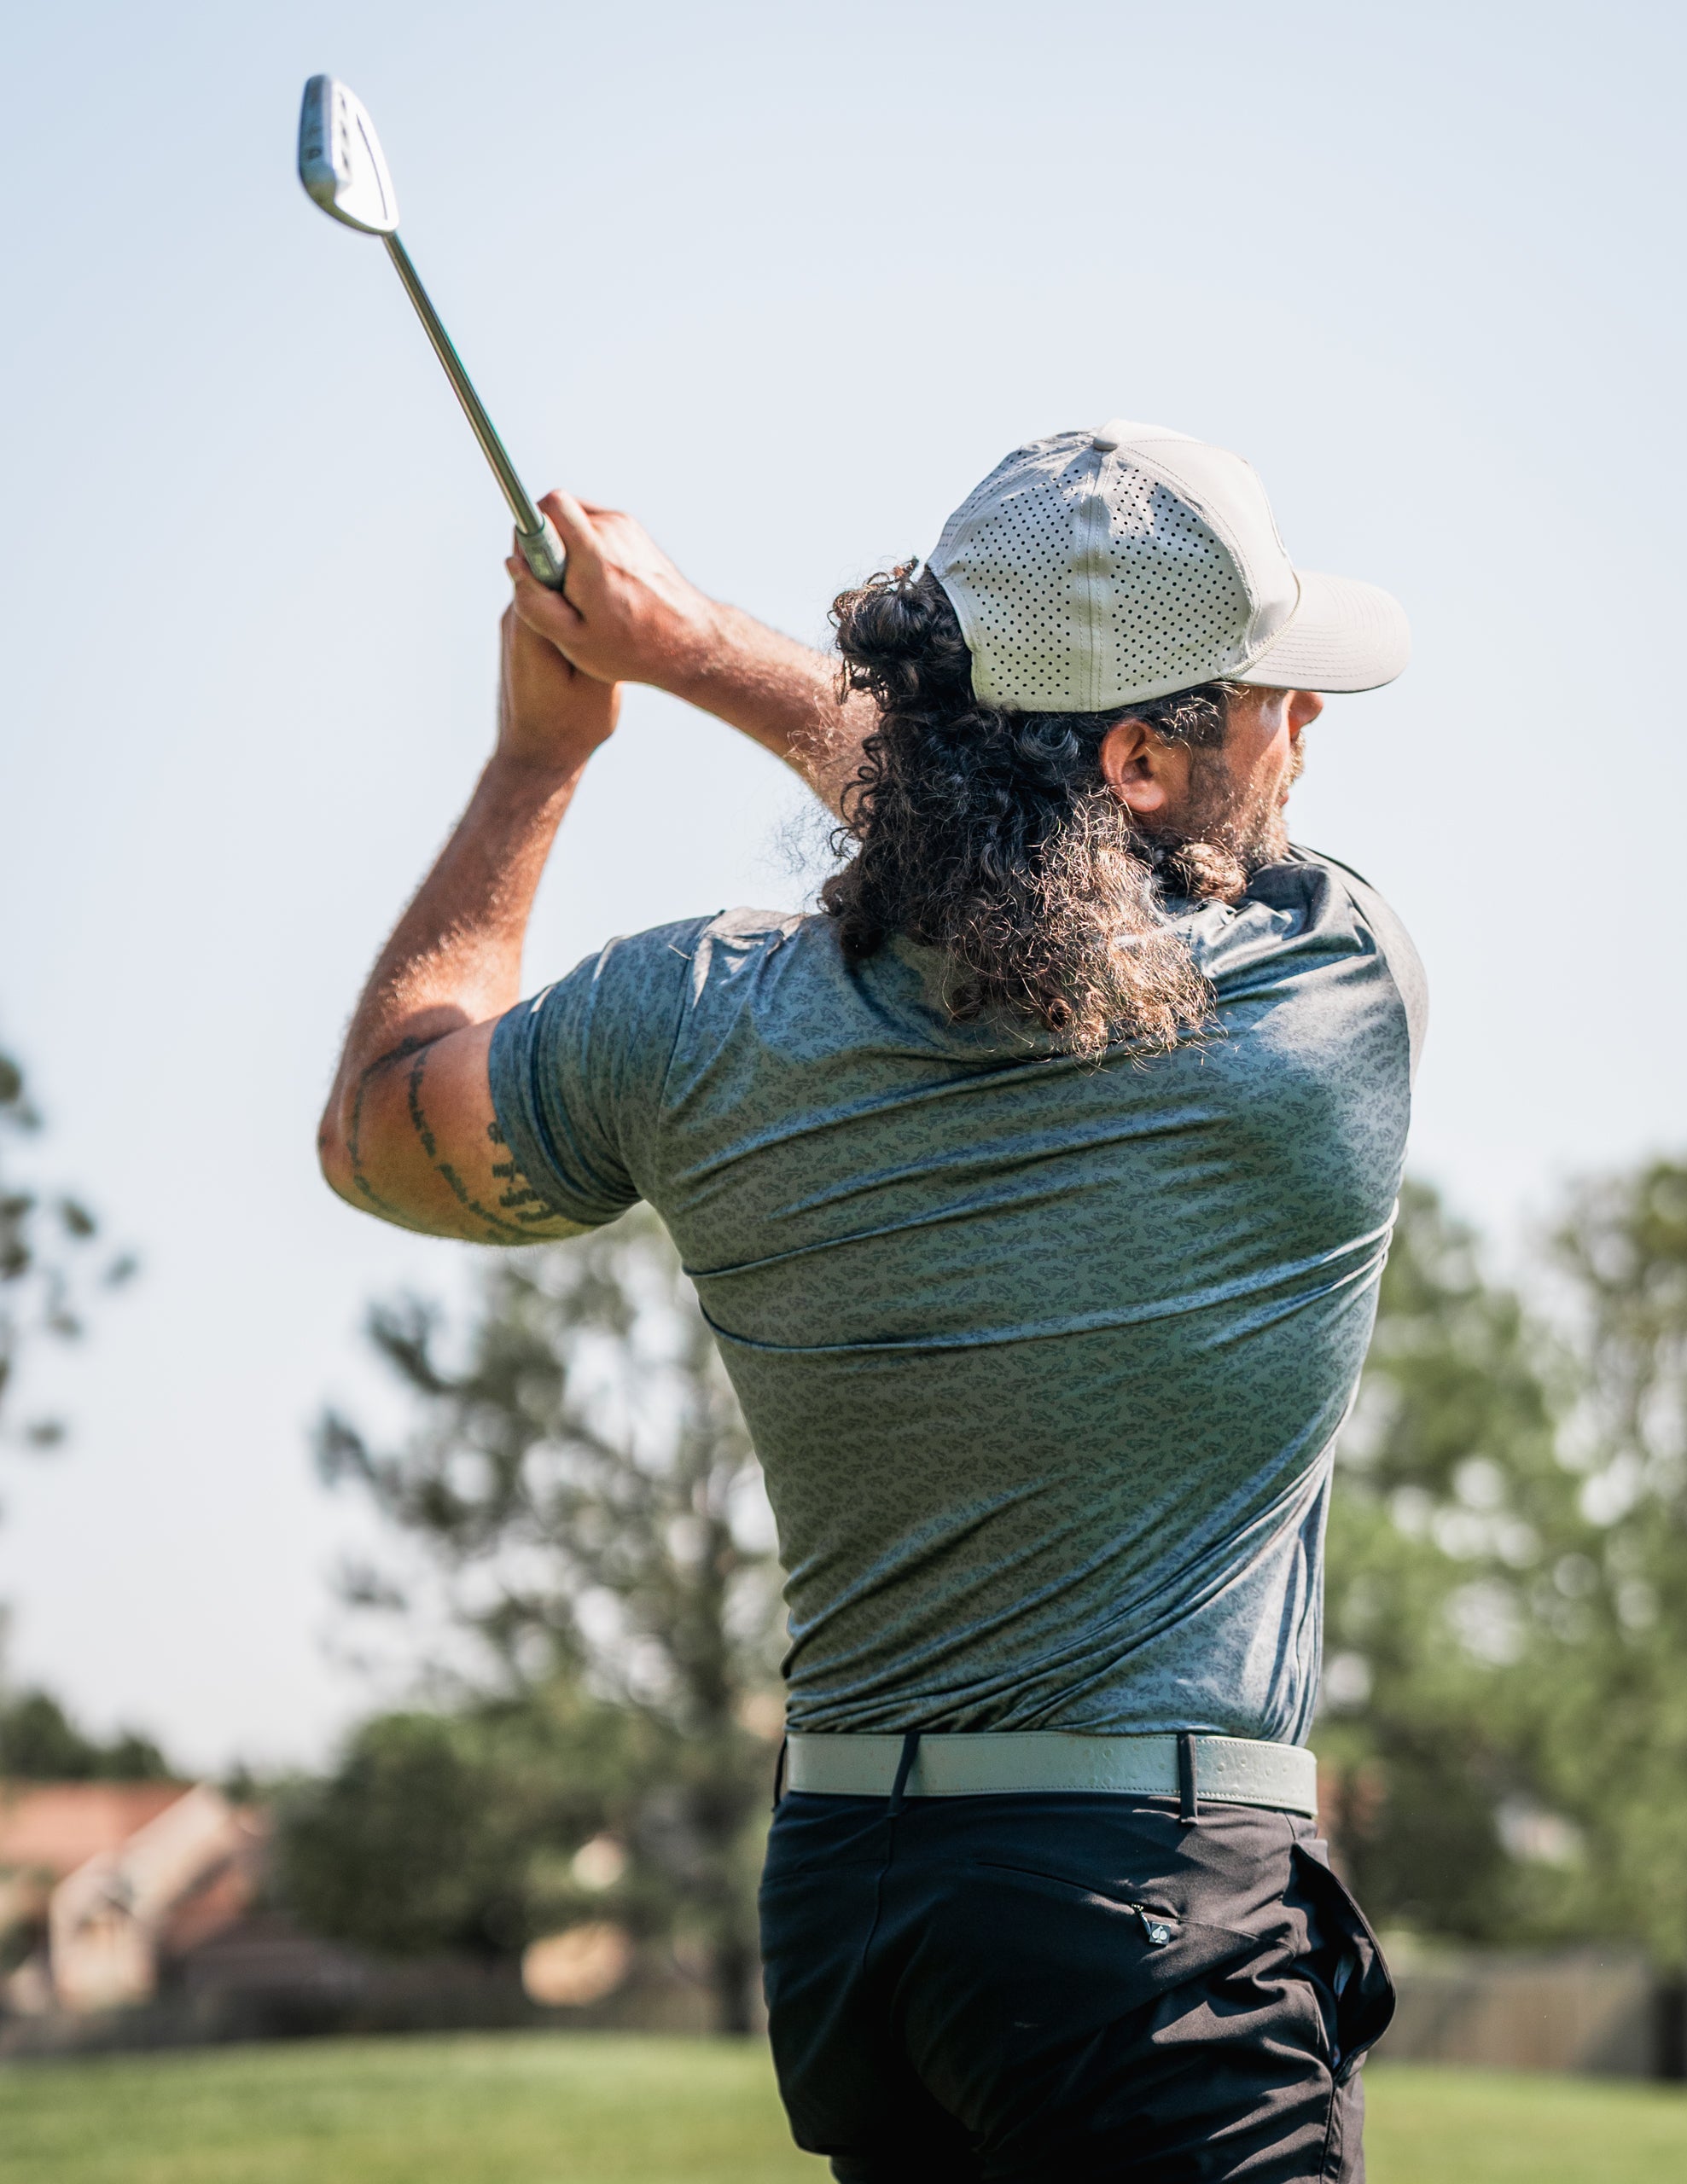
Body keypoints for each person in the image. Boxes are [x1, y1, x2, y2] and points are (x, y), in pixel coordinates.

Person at [319, 420, 1420, 2181]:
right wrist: (695, 648)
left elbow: (382, 1124)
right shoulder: (1320, 992)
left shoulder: (694, 1015)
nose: (1307, 726)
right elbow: (1031, 881)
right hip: (1152, 1915)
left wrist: (543, 755)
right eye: (1267, 693)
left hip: (853, 1915)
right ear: (1140, 761)